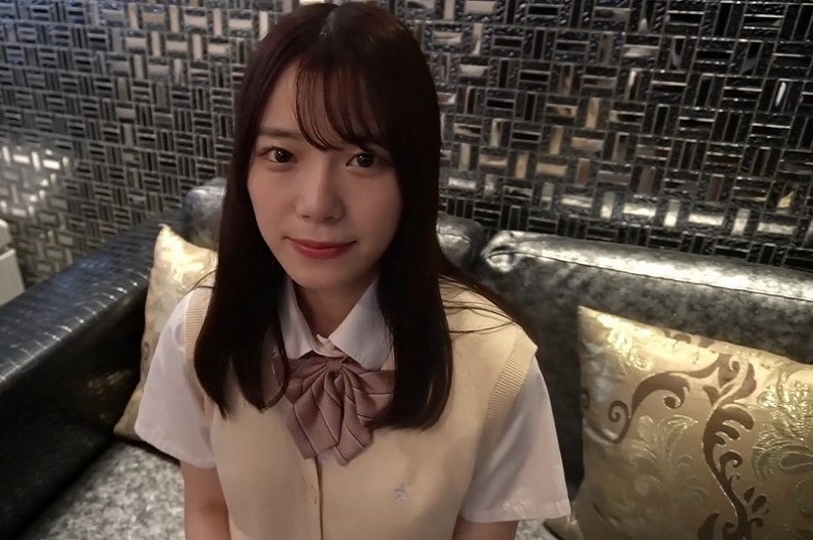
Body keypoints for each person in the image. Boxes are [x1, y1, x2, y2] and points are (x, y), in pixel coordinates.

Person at [135, 3, 570, 539]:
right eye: (281, 154)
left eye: (363, 159)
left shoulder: (499, 368)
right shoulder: (199, 333)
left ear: (414, 176)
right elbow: (207, 509)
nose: (318, 204)